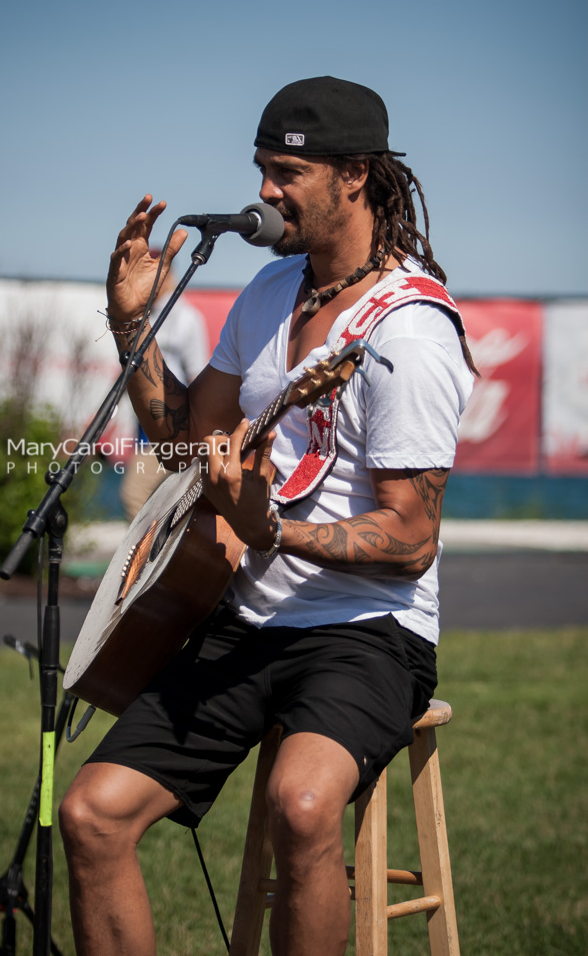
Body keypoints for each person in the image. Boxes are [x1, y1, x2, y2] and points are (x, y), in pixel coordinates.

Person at [59, 75, 476, 956]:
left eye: (286, 171)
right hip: (244, 615)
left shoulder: (407, 332)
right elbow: (184, 446)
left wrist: (274, 531)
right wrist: (132, 328)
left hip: (368, 629)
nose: (263, 192)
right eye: (261, 168)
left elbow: (410, 538)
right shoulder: (268, 291)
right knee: (90, 814)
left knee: (303, 803)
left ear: (355, 175)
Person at [118, 249, 210, 520]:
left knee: (134, 495)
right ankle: (161, 559)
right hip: (145, 429)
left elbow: (197, 378)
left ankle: (151, 562)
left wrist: (195, 438)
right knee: (157, 506)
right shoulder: (144, 315)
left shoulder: (186, 318)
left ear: (168, 275)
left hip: (174, 431)